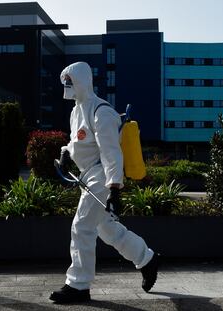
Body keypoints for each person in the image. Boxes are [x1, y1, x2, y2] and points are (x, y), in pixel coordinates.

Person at [49, 61, 160, 304]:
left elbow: (112, 154)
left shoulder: (102, 112)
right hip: (87, 176)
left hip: (101, 176)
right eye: (65, 82)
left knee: (81, 227)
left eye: (69, 81)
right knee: (107, 230)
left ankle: (78, 285)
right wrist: (66, 152)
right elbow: (76, 142)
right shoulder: (76, 111)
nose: (66, 86)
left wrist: (114, 188)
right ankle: (147, 259)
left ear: (81, 81)